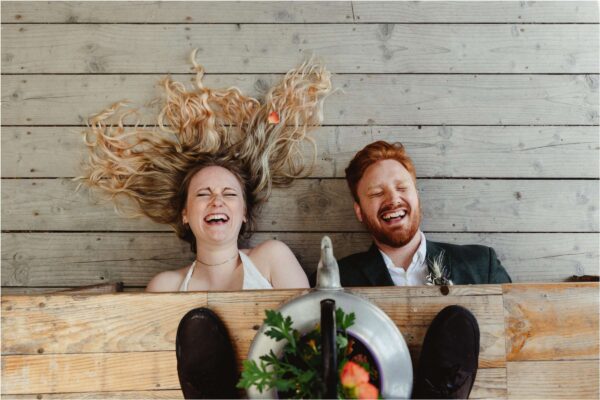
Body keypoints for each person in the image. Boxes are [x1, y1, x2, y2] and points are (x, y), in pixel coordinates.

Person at [79, 52, 332, 397]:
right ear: (185, 213)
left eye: (229, 194)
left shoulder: (272, 259)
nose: (217, 201)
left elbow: (312, 344)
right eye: (203, 194)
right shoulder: (166, 287)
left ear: (244, 213)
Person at [337, 140, 511, 398]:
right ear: (359, 211)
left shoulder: (480, 264)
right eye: (376, 194)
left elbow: (520, 343)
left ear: (417, 195)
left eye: (401, 188)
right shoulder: (337, 278)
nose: (393, 199)